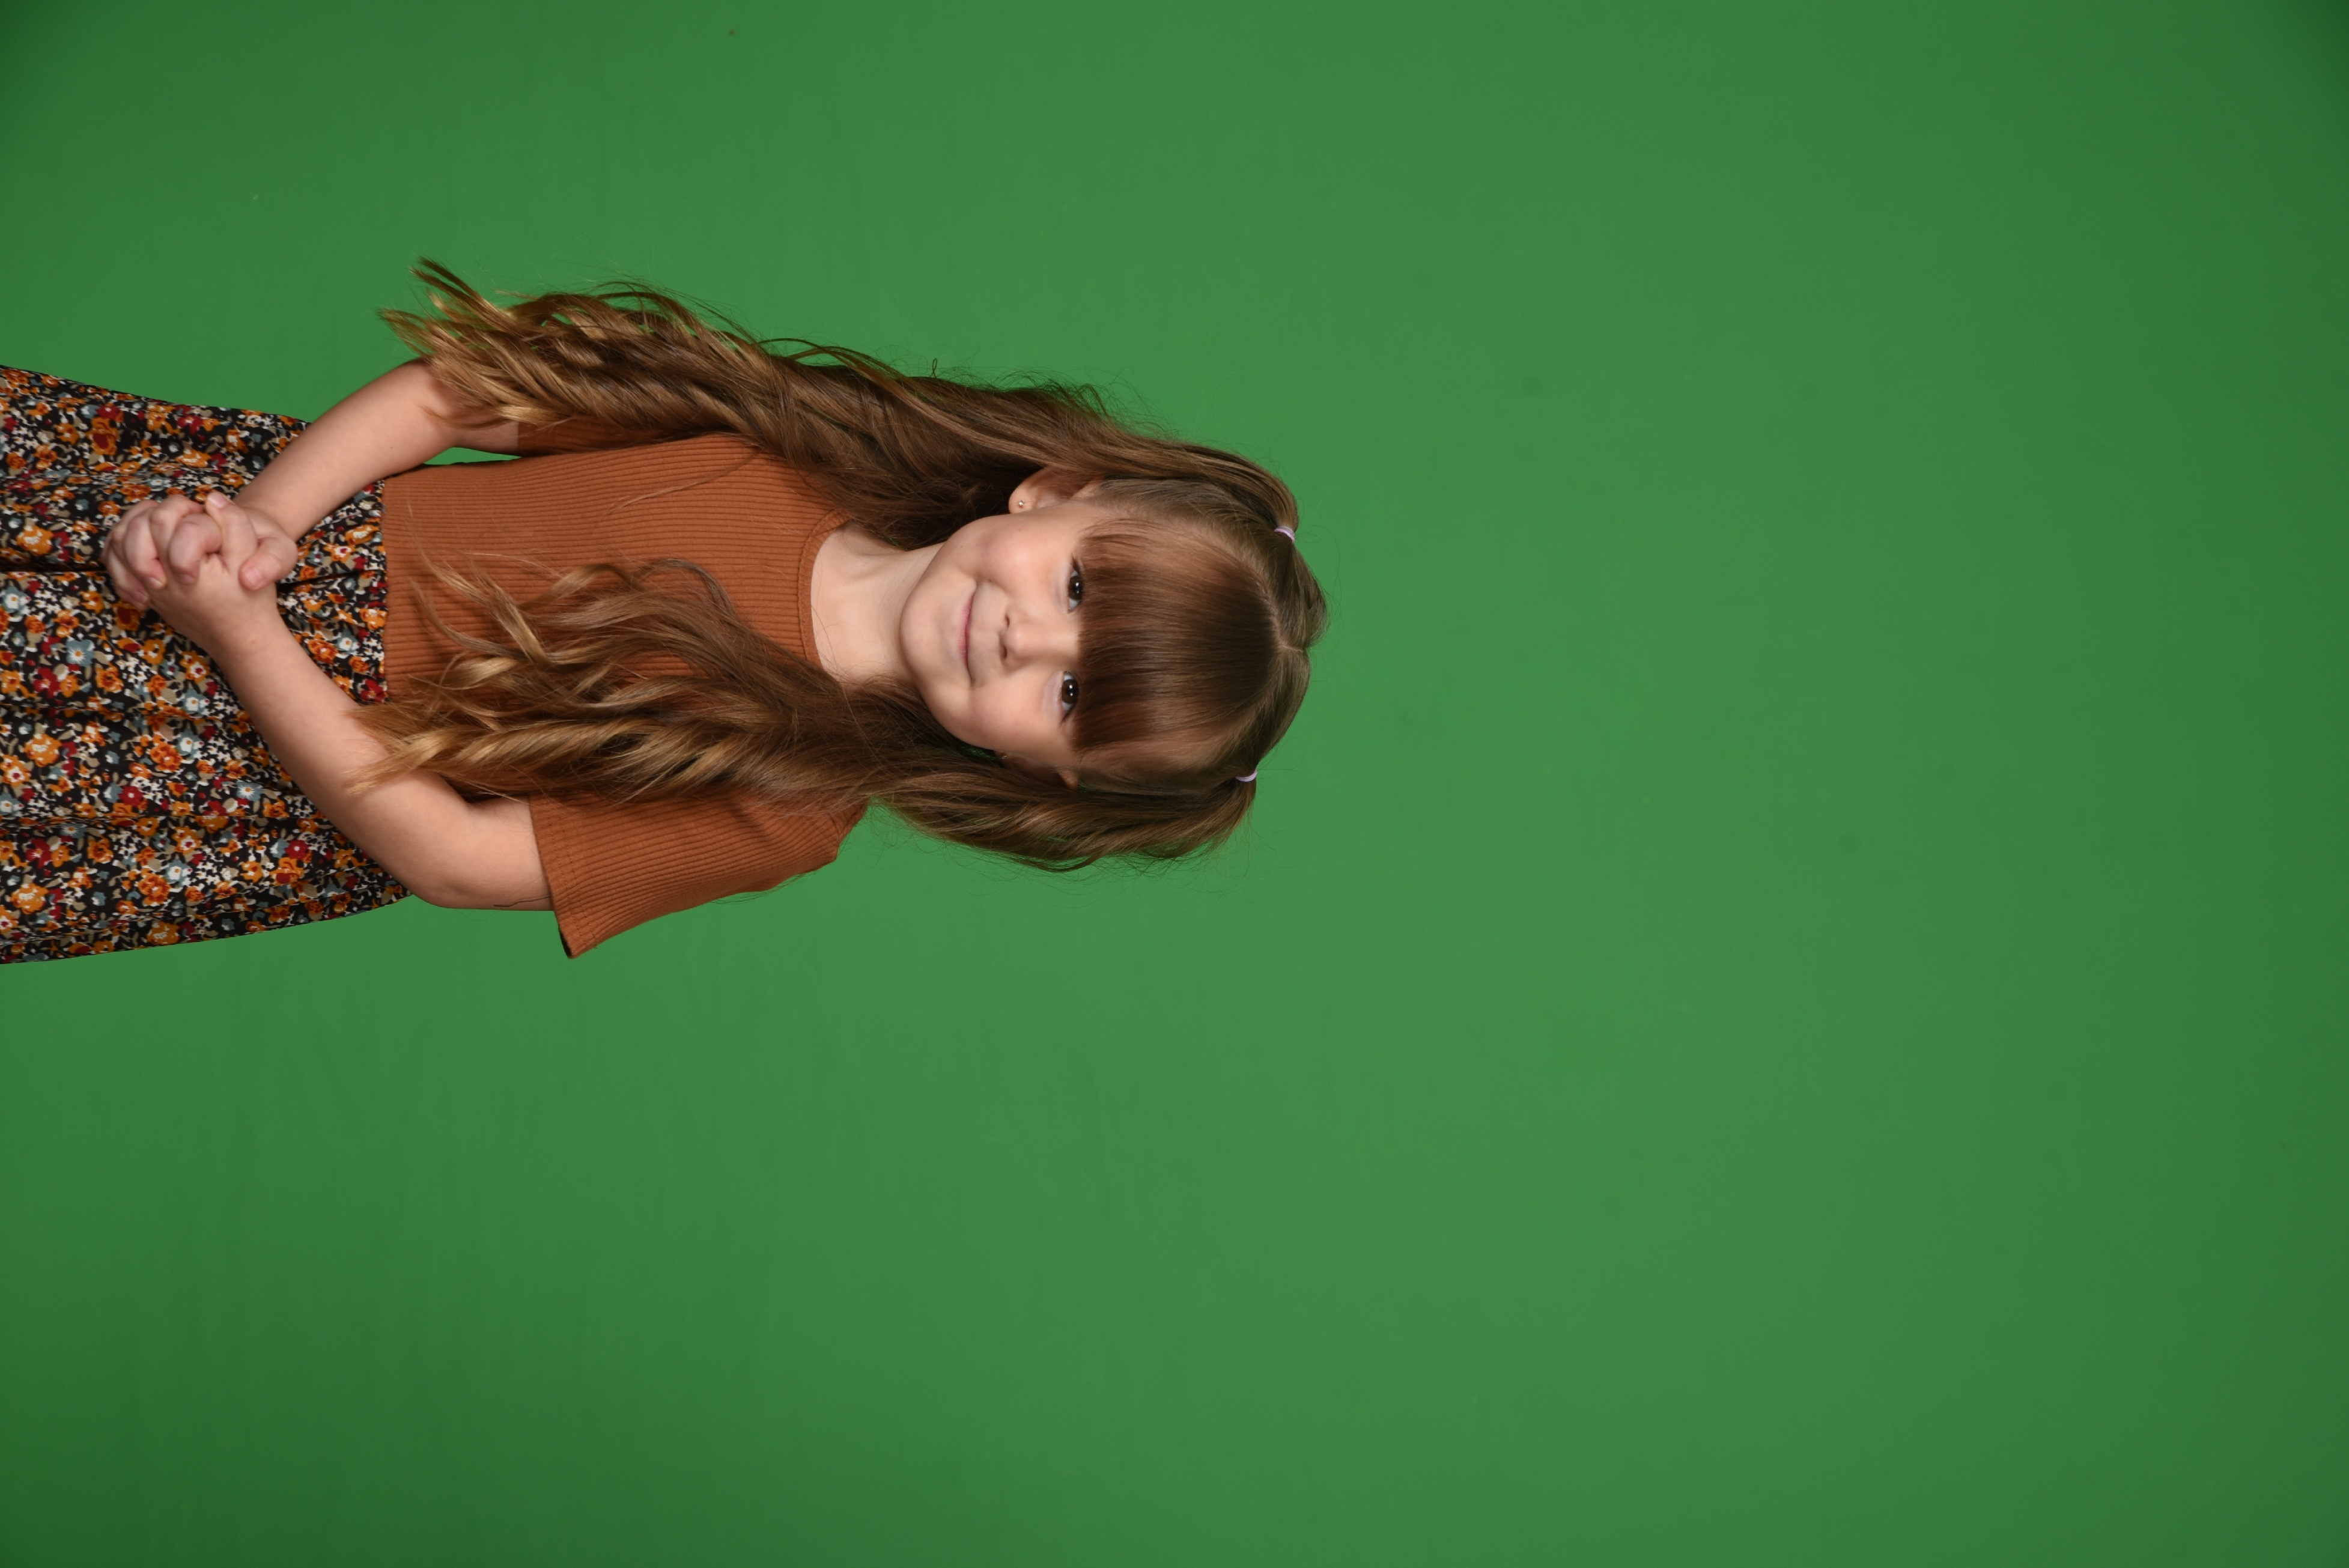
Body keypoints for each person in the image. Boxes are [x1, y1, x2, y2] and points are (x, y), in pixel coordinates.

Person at [0, 266, 1324, 962]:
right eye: (1078, 587)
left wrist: (243, 638)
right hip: (242, 543)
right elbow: (473, 389)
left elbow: (455, 859)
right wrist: (263, 526)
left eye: (1071, 695)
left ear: (1045, 773)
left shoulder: (790, 809)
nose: (1027, 637)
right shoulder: (791, 439)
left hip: (231, 759)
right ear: (1057, 492)